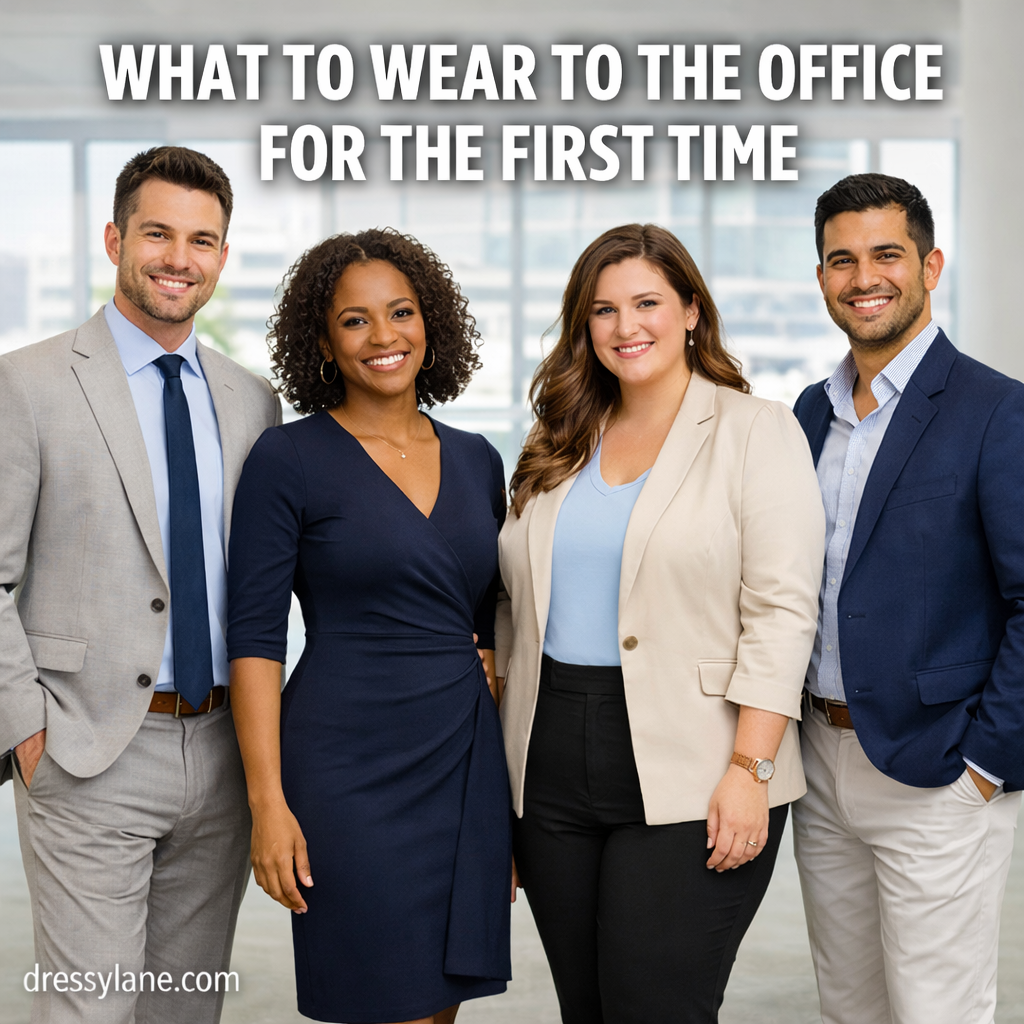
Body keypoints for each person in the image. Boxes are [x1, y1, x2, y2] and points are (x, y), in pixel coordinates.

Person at [495, 223, 825, 1023]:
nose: (625, 326)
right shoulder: (558, 436)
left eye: (646, 302)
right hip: (548, 761)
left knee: (656, 1005)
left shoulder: (757, 430)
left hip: (700, 757)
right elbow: (511, 604)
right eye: (603, 310)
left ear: (690, 311)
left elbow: (782, 610)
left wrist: (751, 770)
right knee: (588, 1006)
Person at [0, 146, 280, 1023]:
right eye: (157, 233)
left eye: (202, 240)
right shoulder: (28, 383)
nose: (178, 258)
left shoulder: (252, 401)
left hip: (223, 753)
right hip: (88, 751)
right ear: (117, 237)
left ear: (223, 258)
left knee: (183, 1009)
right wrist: (27, 733)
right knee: (90, 1009)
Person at [226, 228, 512, 1024]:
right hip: (345, 767)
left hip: (460, 761)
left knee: (439, 1001)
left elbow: (492, 614)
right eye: (355, 321)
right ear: (322, 339)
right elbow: (254, 638)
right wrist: (267, 804)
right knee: (384, 995)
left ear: (432, 324)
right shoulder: (288, 458)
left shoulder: (479, 458)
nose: (384, 337)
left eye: (401, 313)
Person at [791, 173, 1024, 1024]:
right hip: (821, 760)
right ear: (820, 277)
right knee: (850, 1008)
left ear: (930, 265)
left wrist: (984, 768)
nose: (864, 278)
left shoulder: (997, 411)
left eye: (886, 254)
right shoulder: (810, 415)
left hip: (937, 771)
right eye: (841, 260)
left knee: (938, 1012)